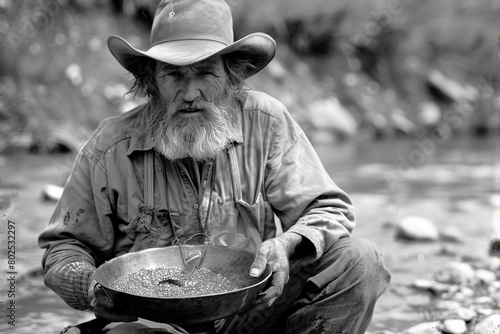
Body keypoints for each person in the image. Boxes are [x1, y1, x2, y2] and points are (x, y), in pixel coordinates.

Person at [39, 0, 391, 333]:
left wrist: (286, 245)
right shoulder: (109, 146)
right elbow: (64, 247)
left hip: (253, 311)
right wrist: (91, 285)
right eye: (174, 76)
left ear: (231, 76)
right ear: (150, 80)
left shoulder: (264, 122)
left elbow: (327, 208)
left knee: (359, 261)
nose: (190, 92)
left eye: (206, 73)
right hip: (152, 323)